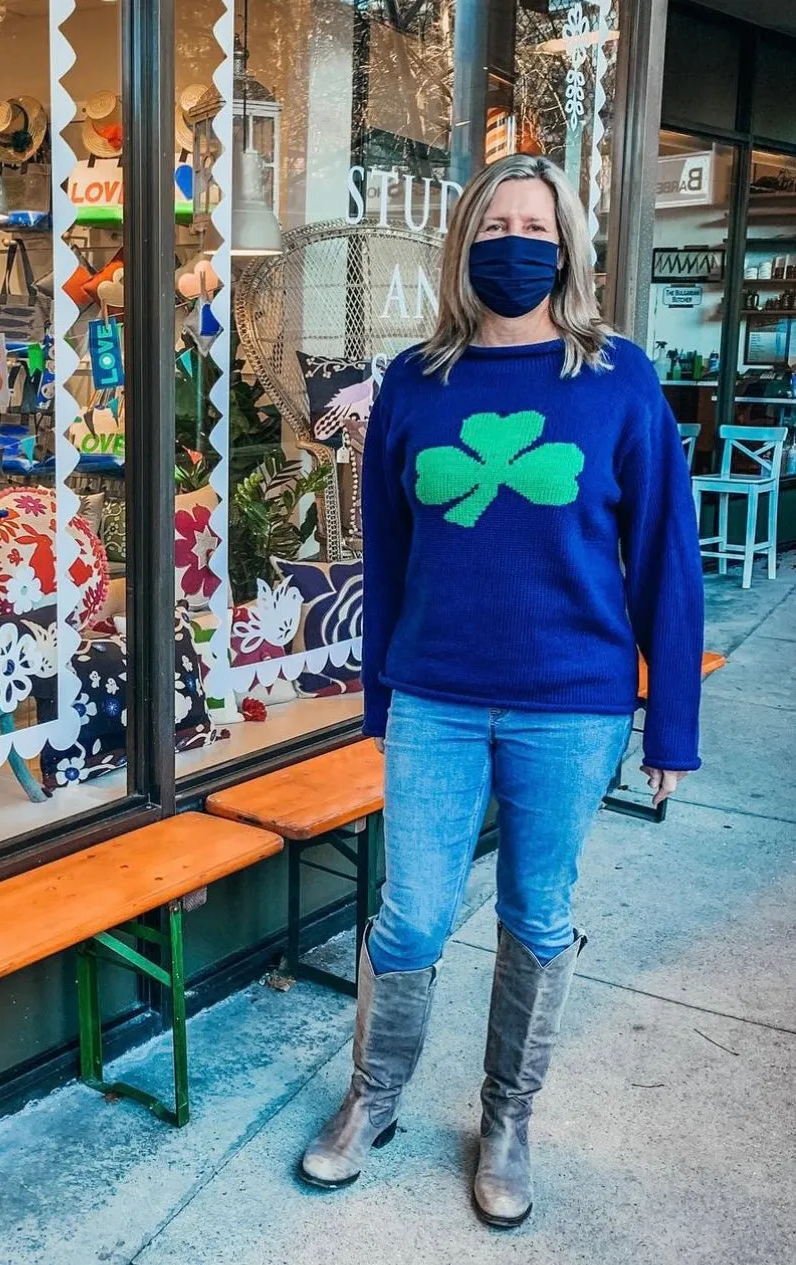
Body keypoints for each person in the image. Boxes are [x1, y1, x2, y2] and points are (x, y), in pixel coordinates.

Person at [298, 153, 705, 1227]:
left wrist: (670, 724)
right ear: (464, 244)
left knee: (537, 913)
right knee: (411, 917)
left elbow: (667, 553)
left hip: (571, 702)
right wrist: (381, 699)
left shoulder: (617, 376)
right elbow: (386, 553)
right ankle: (373, 1096)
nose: (513, 241)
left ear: (565, 243)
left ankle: (509, 1116)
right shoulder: (415, 381)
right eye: (493, 224)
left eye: (533, 223)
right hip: (434, 694)